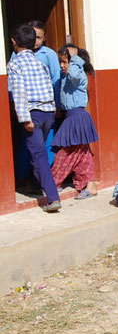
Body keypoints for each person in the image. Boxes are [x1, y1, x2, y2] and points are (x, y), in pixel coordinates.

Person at [6, 23, 61, 212]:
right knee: (37, 154)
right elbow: (49, 86)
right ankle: (37, 185)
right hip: (47, 113)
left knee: (38, 156)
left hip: (33, 115)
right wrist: (52, 109)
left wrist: (24, 119)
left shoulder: (15, 64)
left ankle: (53, 198)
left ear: (14, 42)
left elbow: (19, 93)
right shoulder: (39, 62)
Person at [50, 44, 98, 199]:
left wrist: (75, 59)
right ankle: (89, 184)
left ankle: (52, 183)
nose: (62, 66)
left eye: (65, 62)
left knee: (64, 153)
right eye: (61, 62)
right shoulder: (65, 77)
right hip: (72, 117)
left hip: (76, 117)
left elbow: (75, 76)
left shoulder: (78, 75)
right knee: (82, 153)